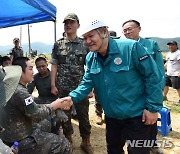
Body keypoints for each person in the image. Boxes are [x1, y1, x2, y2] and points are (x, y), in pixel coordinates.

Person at [60, 19, 163, 154]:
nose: (87, 41)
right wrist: (72, 98)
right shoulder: (91, 57)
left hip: (136, 115)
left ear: (104, 33)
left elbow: (152, 76)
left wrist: (152, 108)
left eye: (91, 36)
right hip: (112, 116)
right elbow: (87, 82)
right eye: (85, 38)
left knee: (138, 151)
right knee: (113, 150)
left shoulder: (130, 48)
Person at [0, 58, 72, 154]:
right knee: (64, 144)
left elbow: (32, 107)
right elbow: (36, 115)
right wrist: (55, 105)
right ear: (21, 72)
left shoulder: (10, 87)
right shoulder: (20, 92)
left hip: (11, 134)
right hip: (20, 140)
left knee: (46, 124)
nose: (33, 71)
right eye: (30, 69)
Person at [50, 13, 93, 153]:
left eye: (71, 22)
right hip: (62, 87)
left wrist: (90, 88)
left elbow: (90, 67)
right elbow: (54, 65)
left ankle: (86, 141)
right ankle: (68, 140)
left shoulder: (84, 44)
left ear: (78, 25)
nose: (68, 25)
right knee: (64, 116)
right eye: (66, 23)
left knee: (83, 115)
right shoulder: (58, 44)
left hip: (80, 87)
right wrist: (53, 84)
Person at [122, 19, 165, 154]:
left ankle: (152, 143)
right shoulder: (124, 47)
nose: (127, 32)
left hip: (149, 89)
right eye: (125, 30)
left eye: (130, 28)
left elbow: (159, 70)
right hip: (132, 92)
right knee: (136, 120)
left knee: (150, 118)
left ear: (139, 28)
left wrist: (158, 92)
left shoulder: (150, 44)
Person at [94, 30, 120, 125]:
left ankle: (108, 114)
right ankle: (99, 114)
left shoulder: (119, 52)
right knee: (98, 97)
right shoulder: (96, 52)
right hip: (100, 80)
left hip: (114, 82)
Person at [163, 41, 180, 105]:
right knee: (166, 85)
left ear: (176, 46)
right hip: (168, 73)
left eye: (172, 45)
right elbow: (167, 63)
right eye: (169, 45)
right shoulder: (168, 54)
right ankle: (164, 97)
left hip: (176, 74)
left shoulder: (178, 53)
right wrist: (162, 69)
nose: (170, 46)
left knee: (178, 87)